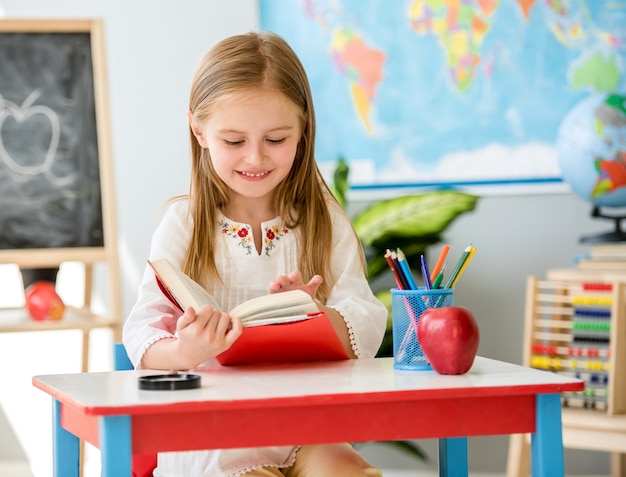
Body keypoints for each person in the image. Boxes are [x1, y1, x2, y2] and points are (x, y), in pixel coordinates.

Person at [122, 31, 388, 477]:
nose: (255, 157)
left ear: (303, 129)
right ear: (199, 130)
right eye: (233, 141)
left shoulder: (326, 220)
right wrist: (186, 350)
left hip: (307, 428)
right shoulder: (184, 224)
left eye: (276, 139)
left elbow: (364, 321)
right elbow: (143, 337)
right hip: (209, 436)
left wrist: (317, 317)